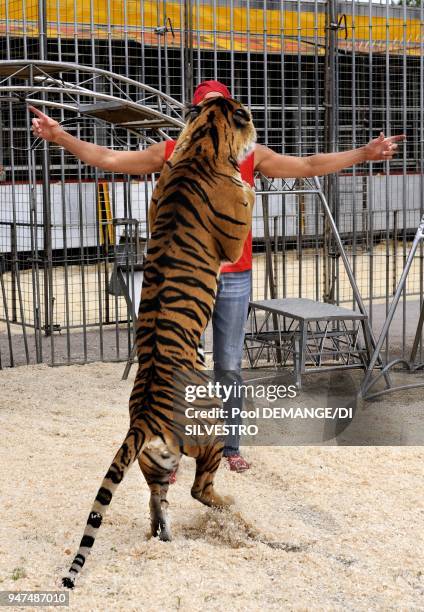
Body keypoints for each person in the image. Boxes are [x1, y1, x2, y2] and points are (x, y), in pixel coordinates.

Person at [29, 80, 404, 473]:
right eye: (207, 107)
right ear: (195, 117)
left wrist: (364, 153)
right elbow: (107, 158)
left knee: (228, 365)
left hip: (234, 275)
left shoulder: (249, 155)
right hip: (182, 275)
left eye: (218, 105)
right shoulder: (172, 152)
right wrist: (60, 136)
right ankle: (172, 450)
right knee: (176, 365)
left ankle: (230, 445)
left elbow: (308, 166)